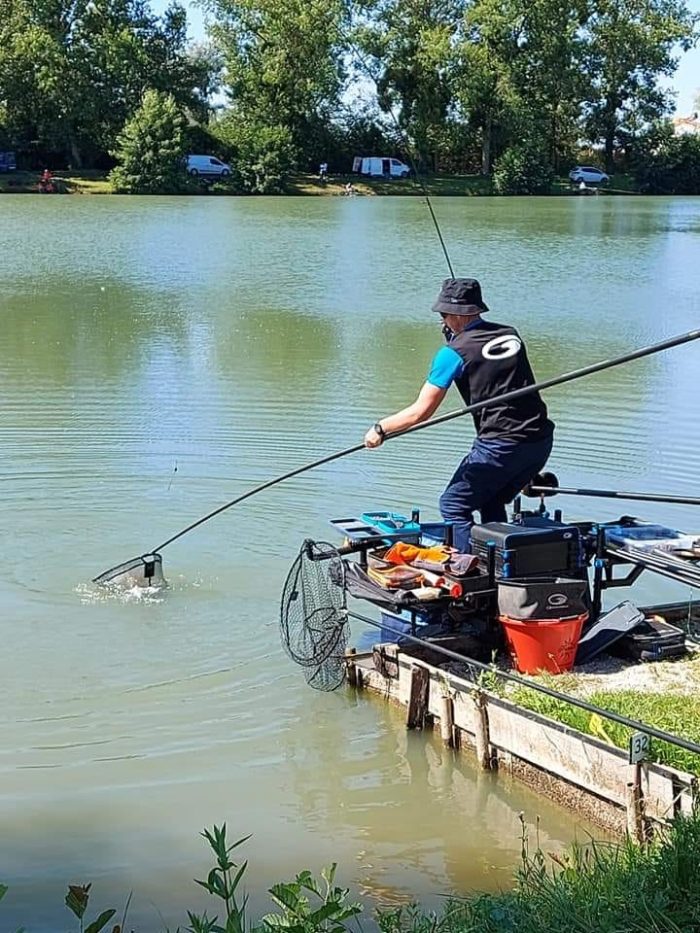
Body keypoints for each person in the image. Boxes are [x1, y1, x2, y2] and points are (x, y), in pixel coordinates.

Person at [363, 278, 555, 552]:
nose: (441, 319)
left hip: (501, 445)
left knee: (453, 505)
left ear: (454, 314)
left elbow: (421, 412)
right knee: (491, 499)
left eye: (443, 314)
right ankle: (499, 562)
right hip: (539, 442)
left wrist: (380, 429)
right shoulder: (510, 334)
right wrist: (459, 337)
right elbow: (489, 361)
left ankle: (467, 569)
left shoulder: (451, 354)